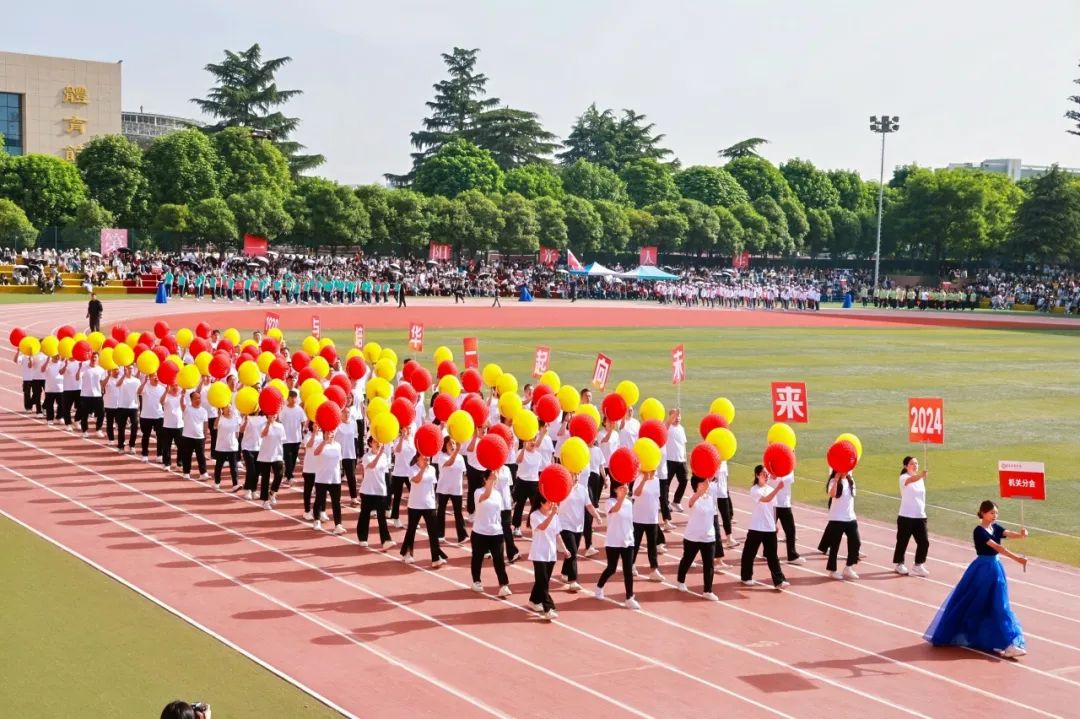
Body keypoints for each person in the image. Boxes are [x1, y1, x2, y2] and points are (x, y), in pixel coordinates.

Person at [924, 500, 1028, 658]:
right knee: (980, 602)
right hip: (983, 569)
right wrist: (1017, 559)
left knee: (997, 603)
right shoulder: (979, 531)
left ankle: (1005, 642)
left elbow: (1007, 533)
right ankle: (1007, 643)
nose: (995, 515)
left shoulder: (996, 527)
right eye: (992, 513)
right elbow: (997, 547)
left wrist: (1021, 535)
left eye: (996, 513)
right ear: (983, 513)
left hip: (995, 568)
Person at [740, 465, 790, 590]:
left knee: (773, 556)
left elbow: (773, 508)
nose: (766, 475)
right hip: (756, 527)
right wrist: (778, 489)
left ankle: (779, 581)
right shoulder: (754, 490)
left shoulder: (770, 489)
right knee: (749, 553)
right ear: (757, 475)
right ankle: (746, 577)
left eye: (767, 473)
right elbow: (767, 499)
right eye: (763, 473)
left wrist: (775, 523)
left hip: (769, 528)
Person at [595, 480, 639, 609]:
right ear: (615, 490)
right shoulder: (610, 502)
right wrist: (621, 498)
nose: (625, 489)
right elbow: (615, 510)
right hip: (613, 541)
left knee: (628, 570)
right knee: (611, 568)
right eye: (621, 487)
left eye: (626, 486)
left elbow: (629, 521)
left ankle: (629, 597)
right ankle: (599, 587)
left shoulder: (629, 503)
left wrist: (631, 536)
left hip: (628, 541)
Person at [677, 475, 719, 600]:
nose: (706, 485)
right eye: (703, 483)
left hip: (708, 537)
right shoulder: (693, 497)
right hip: (693, 537)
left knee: (709, 564)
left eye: (706, 483)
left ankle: (707, 590)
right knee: (687, 560)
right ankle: (680, 580)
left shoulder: (710, 498)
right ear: (697, 486)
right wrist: (700, 492)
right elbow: (691, 503)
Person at [470, 470, 512, 596]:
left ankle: (503, 585)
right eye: (492, 478)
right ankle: (476, 581)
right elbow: (486, 496)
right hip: (480, 532)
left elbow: (499, 513)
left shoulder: (498, 494)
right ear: (485, 479)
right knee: (477, 558)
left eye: (495, 478)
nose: (495, 479)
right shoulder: (478, 492)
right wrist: (491, 480)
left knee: (499, 560)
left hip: (496, 533)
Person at [400, 454, 445, 567]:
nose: (427, 458)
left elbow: (432, 486)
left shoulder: (432, 469)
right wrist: (423, 469)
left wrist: (434, 501)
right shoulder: (411, 469)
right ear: (418, 458)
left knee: (433, 532)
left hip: (429, 505)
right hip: (415, 505)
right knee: (411, 530)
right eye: (424, 456)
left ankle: (436, 558)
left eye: (428, 456)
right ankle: (407, 553)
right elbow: (416, 480)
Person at [894, 456, 931, 577]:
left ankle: (918, 564)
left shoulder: (920, 479)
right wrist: (921, 475)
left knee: (924, 542)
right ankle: (899, 564)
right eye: (912, 463)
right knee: (902, 541)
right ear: (906, 466)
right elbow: (911, 480)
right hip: (906, 516)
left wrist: (920, 476)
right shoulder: (903, 477)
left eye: (916, 463)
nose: (915, 465)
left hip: (920, 516)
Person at [821, 469, 861, 580]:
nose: (847, 471)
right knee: (834, 546)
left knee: (856, 542)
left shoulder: (850, 480)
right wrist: (836, 479)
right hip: (837, 519)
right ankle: (832, 570)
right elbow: (832, 494)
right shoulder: (833, 481)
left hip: (851, 518)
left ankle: (848, 567)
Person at [356, 437, 395, 548]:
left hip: (380, 491)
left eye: (379, 442)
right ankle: (362, 538)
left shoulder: (384, 457)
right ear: (370, 444)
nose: (377, 444)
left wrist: (386, 490)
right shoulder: (366, 457)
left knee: (382, 517)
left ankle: (386, 540)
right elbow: (372, 466)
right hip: (367, 491)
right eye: (375, 442)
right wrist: (379, 455)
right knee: (365, 515)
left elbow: (385, 474)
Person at [528, 496, 561, 620]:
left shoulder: (554, 516)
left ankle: (534, 600)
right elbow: (542, 527)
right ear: (541, 503)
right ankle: (548, 608)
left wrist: (564, 549)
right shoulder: (534, 515)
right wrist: (552, 515)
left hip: (550, 553)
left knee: (543, 581)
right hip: (538, 553)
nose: (551, 504)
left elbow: (557, 534)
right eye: (548, 502)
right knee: (543, 581)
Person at [434, 436, 469, 544]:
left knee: (458, 513)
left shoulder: (460, 458)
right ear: (445, 446)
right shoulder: (442, 456)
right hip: (443, 488)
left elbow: (463, 472)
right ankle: (439, 534)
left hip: (456, 490)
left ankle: (462, 536)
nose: (452, 446)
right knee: (441, 512)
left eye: (454, 443)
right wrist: (457, 451)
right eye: (450, 444)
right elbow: (449, 463)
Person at [312, 429, 346, 534]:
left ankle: (338, 525)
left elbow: (339, 460)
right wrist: (325, 441)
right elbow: (316, 453)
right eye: (328, 432)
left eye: (332, 432)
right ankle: (317, 520)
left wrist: (340, 472)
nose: (330, 434)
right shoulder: (320, 443)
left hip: (335, 478)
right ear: (324, 433)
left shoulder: (338, 445)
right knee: (319, 500)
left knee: (336, 502)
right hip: (322, 478)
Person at [772, 468, 804, 565]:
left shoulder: (788, 468)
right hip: (772, 503)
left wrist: (777, 476)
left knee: (790, 530)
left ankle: (792, 555)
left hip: (784, 504)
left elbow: (788, 479)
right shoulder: (769, 467)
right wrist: (773, 476)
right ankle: (768, 552)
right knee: (769, 530)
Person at [256, 412, 286, 509]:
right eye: (271, 414)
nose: (273, 416)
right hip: (265, 455)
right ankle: (265, 501)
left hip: (277, 455)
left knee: (280, 474)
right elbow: (263, 435)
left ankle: (272, 492)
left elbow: (282, 440)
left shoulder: (280, 426)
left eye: (275, 414)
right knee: (265, 478)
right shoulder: (262, 424)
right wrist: (268, 424)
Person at [179, 390, 210, 480]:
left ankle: (203, 473)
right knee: (187, 456)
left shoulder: (204, 411)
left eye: (199, 398)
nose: (198, 400)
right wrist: (182, 396)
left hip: (199, 437)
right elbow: (182, 404)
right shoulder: (187, 409)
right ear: (191, 400)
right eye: (196, 398)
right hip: (187, 436)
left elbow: (205, 423)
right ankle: (186, 473)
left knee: (201, 456)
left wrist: (205, 434)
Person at [76, 352, 106, 438]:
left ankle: (98, 429)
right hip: (85, 395)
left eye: (95, 357)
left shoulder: (101, 370)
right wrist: (79, 368)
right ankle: (84, 431)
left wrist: (107, 378)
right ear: (90, 358)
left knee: (101, 413)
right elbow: (77, 378)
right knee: (84, 414)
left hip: (97, 395)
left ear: (98, 358)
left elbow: (102, 383)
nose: (94, 359)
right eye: (92, 357)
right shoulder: (84, 368)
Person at [138, 372, 165, 463]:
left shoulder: (162, 388)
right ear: (150, 377)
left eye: (157, 376)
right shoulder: (145, 386)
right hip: (146, 416)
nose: (156, 378)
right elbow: (139, 392)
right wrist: (144, 382)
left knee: (160, 436)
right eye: (154, 376)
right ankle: (144, 454)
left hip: (159, 415)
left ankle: (160, 455)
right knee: (146, 436)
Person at [212, 404, 241, 490]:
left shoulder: (235, 419)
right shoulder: (220, 418)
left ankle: (235, 484)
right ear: (222, 409)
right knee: (219, 466)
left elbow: (237, 433)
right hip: (221, 446)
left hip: (232, 446)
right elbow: (215, 426)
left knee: (234, 466)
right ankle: (217, 482)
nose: (229, 409)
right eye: (227, 408)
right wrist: (219, 416)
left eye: (230, 407)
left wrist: (237, 443)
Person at [114, 366, 140, 453]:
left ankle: (132, 445)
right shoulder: (121, 379)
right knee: (121, 427)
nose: (130, 370)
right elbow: (117, 385)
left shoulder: (137, 381)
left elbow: (139, 392)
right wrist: (124, 375)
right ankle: (121, 446)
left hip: (133, 407)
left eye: (131, 368)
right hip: (122, 406)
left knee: (135, 426)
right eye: (128, 368)